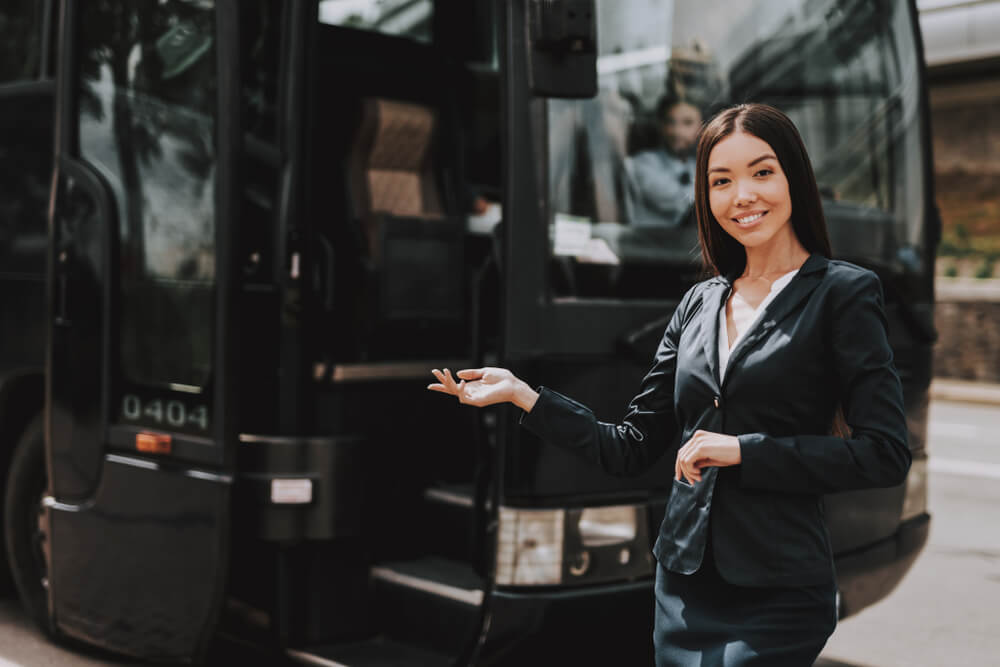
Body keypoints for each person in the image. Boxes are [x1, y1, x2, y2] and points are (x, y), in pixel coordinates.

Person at [428, 103, 910, 666]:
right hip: (683, 590)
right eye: (721, 181)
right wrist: (523, 395)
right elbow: (630, 447)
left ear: (793, 178)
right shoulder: (698, 303)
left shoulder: (843, 294)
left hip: (778, 590)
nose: (742, 196)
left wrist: (741, 452)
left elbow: (884, 453)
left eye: (762, 172)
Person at [624, 95, 703, 227]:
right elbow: (679, 202)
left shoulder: (699, 165)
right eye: (670, 122)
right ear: (661, 126)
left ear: (700, 128)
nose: (677, 131)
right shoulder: (642, 163)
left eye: (687, 123)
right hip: (653, 244)